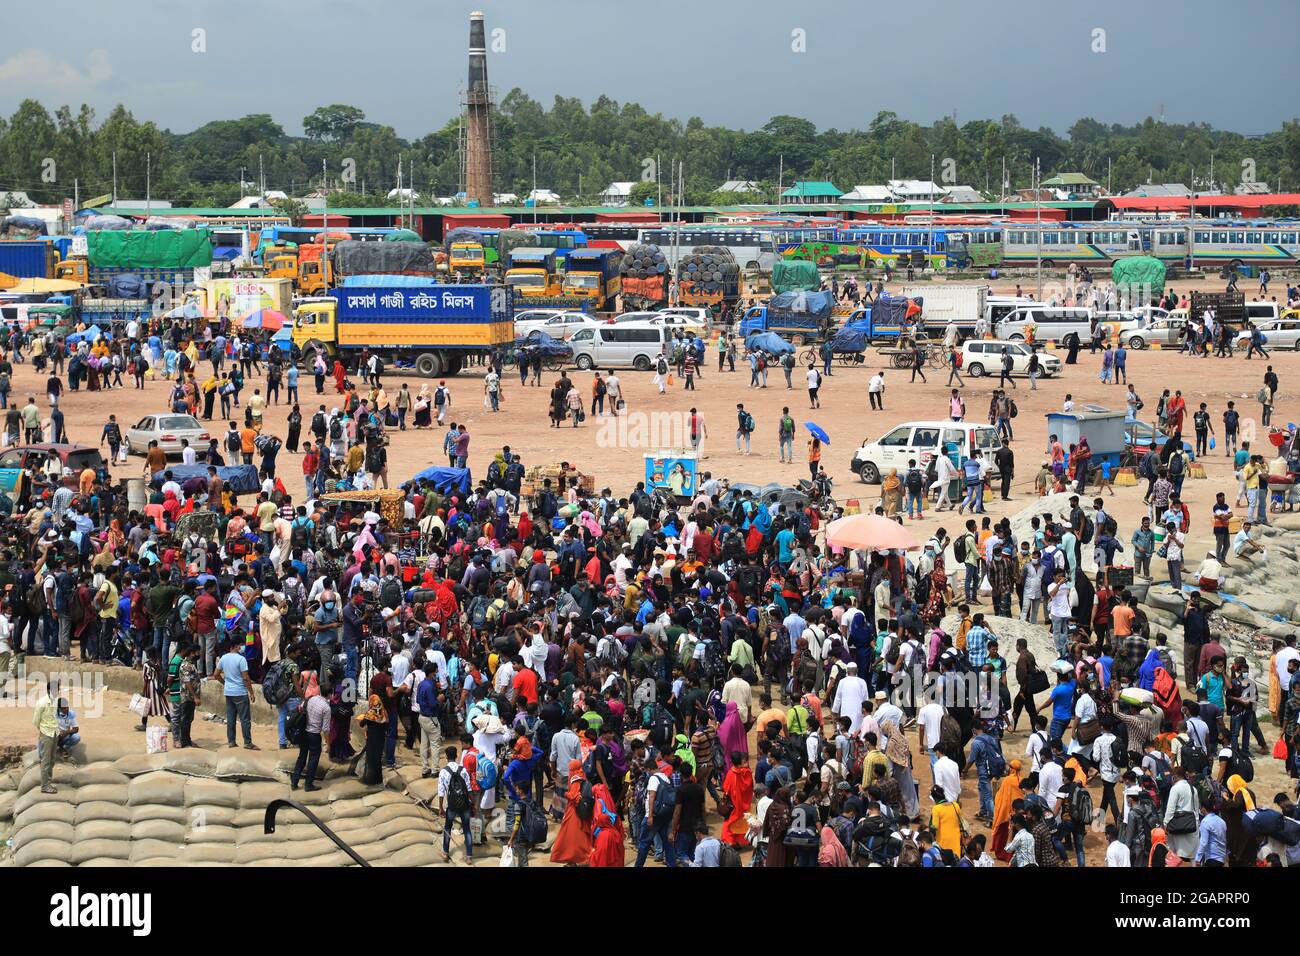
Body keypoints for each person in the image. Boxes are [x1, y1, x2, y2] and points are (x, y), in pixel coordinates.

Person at [214, 637, 257, 749]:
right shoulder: (241, 659)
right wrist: (251, 692)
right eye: (240, 645)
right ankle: (247, 742)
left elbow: (216, 674)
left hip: (229, 692)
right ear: (236, 646)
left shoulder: (223, 658)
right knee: (245, 719)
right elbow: (246, 677)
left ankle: (231, 741)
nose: (241, 647)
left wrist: (225, 683)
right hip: (240, 692)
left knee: (231, 718)